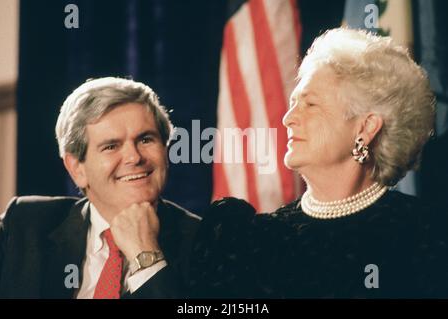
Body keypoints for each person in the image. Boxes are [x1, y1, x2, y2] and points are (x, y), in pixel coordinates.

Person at [191, 28, 448, 298]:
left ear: (366, 127)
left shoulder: (428, 235)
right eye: (293, 103)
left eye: (310, 104)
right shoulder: (249, 240)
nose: (288, 118)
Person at [0, 77, 200, 298]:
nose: (134, 157)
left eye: (145, 139)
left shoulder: (208, 242)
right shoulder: (24, 225)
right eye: (111, 146)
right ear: (77, 169)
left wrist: (146, 256)